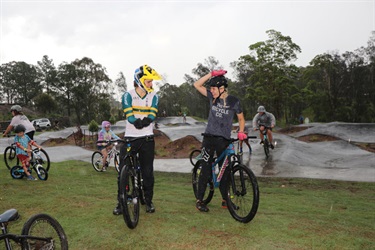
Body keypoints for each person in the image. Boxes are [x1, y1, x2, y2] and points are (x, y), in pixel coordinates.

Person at [193, 69, 247, 212]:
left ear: (222, 89)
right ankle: (200, 200)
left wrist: (241, 131)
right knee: (205, 168)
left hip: (224, 140)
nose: (212, 91)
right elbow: (197, 85)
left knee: (226, 171)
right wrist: (211, 74)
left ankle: (225, 200)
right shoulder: (212, 97)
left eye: (214, 88)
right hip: (209, 138)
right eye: (211, 88)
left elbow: (241, 118)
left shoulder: (234, 101)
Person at [113, 64, 161, 215]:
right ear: (139, 80)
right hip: (131, 138)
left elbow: (153, 113)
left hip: (147, 138)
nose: (151, 84)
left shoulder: (154, 96)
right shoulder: (128, 95)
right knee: (123, 171)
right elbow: (129, 114)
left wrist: (147, 121)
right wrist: (135, 121)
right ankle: (121, 202)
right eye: (148, 81)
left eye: (151, 81)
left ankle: (148, 201)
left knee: (147, 172)